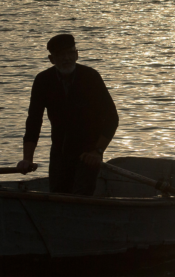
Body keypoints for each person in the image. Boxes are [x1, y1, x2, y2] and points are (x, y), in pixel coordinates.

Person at [17, 33, 119, 195]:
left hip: (88, 153)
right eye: (60, 55)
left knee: (82, 196)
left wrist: (97, 151)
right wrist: (27, 159)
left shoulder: (90, 77)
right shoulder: (43, 81)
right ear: (51, 59)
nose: (66, 58)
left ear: (77, 54)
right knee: (58, 196)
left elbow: (112, 118)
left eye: (70, 53)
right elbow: (34, 122)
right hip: (60, 152)